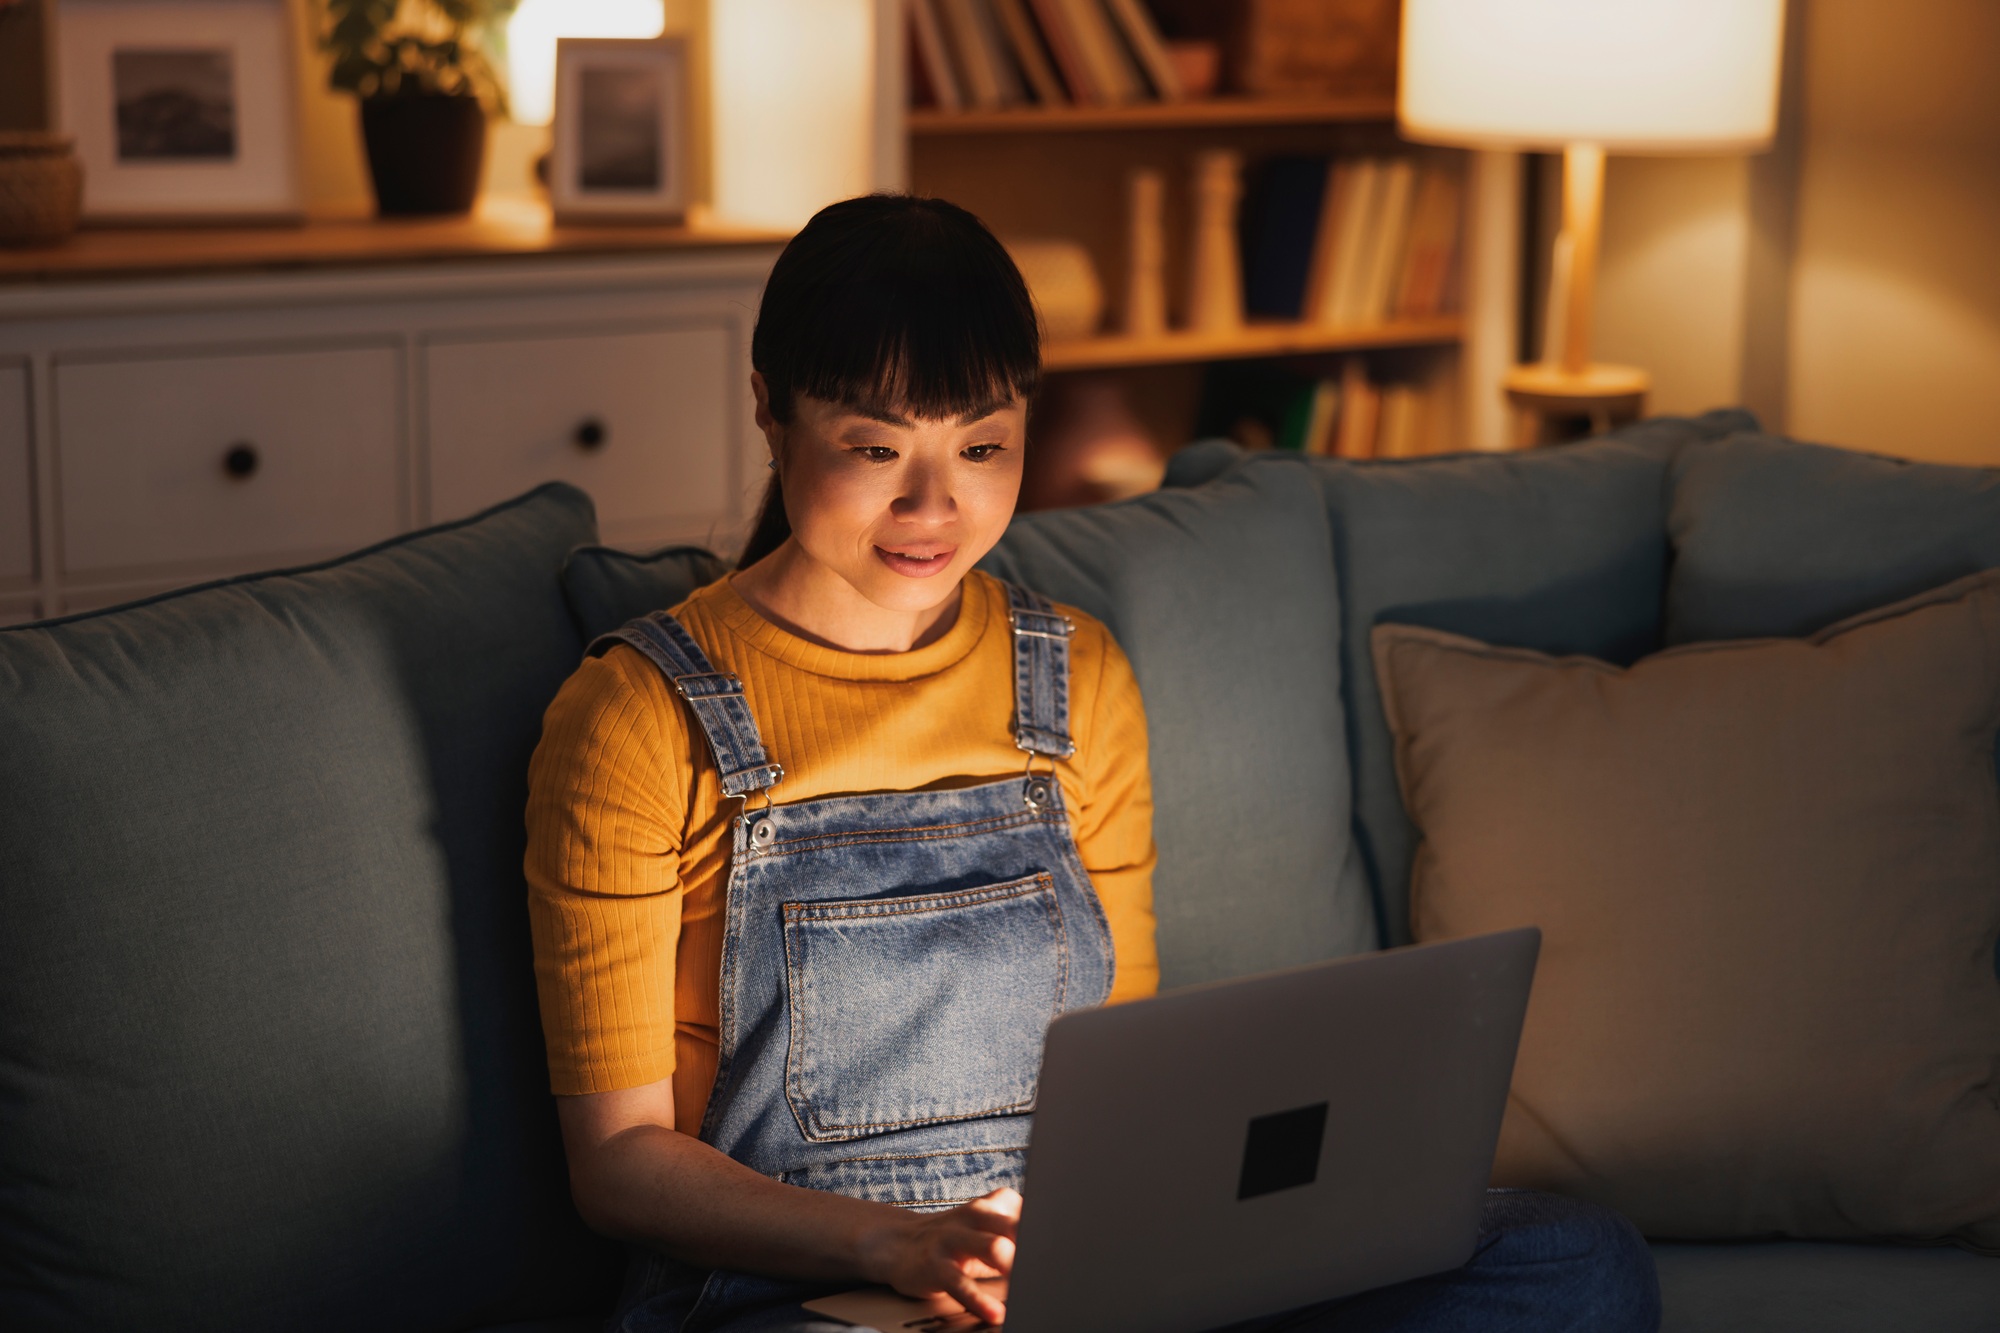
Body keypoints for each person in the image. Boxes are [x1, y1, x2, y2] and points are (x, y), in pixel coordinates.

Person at [525, 194, 1660, 1333]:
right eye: (874, 448)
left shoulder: (1076, 678)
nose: (935, 505)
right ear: (770, 411)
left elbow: (1121, 1081)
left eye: (981, 446)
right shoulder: (634, 714)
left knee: (1571, 1260)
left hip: (1065, 1282)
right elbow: (619, 1159)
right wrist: (895, 1242)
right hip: (793, 1291)